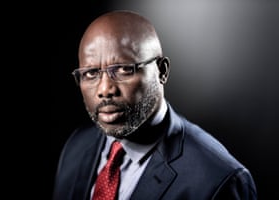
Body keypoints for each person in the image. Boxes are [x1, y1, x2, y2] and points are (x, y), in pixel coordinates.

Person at [52, 10, 257, 200]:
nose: (105, 89)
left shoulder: (219, 181)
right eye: (91, 73)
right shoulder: (78, 145)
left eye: (124, 69)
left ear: (162, 71)